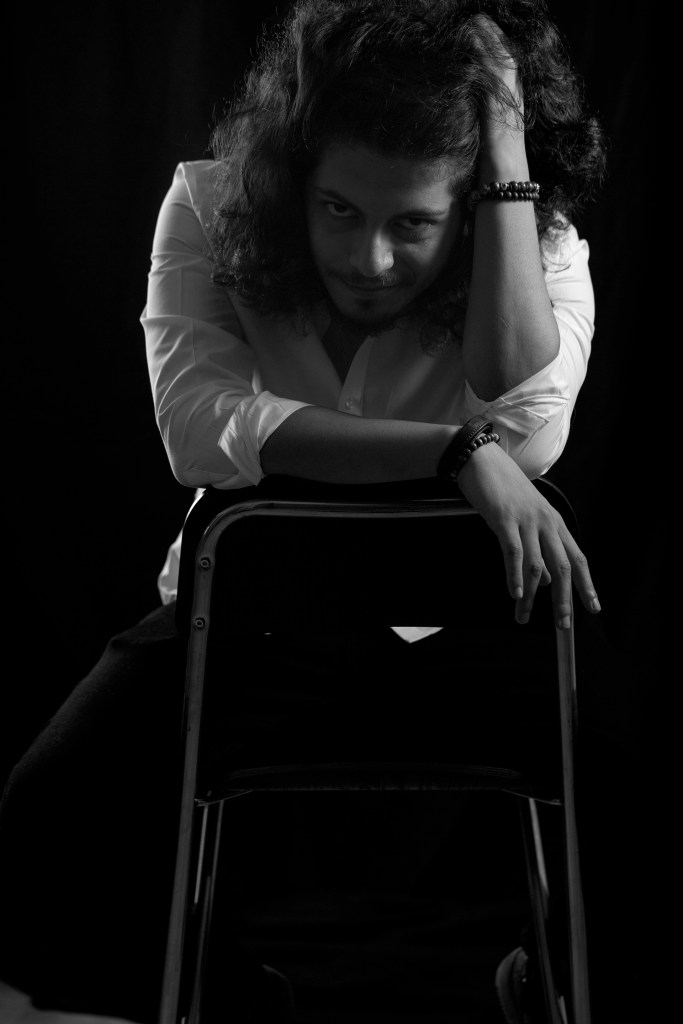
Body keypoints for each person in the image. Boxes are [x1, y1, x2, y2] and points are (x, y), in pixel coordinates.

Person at [1, 1, 640, 1022]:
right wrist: (450, 451)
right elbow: (199, 427)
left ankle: (543, 983)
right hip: (248, 633)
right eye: (339, 208)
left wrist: (504, 155)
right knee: (48, 812)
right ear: (295, 176)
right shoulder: (209, 208)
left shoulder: (538, 245)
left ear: (472, 206)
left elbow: (528, 426)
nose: (367, 258)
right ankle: (230, 1004)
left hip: (471, 641)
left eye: (413, 223)